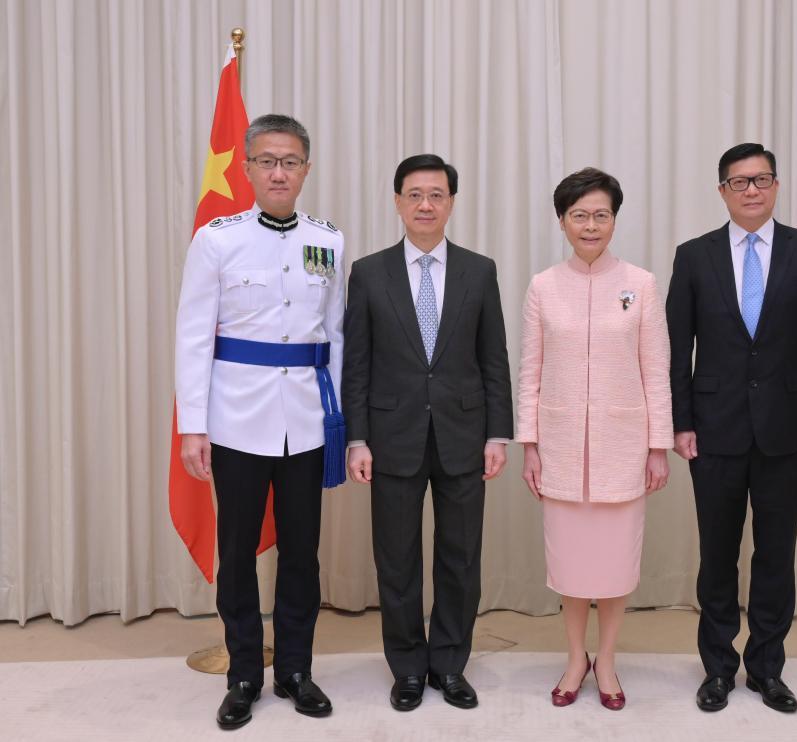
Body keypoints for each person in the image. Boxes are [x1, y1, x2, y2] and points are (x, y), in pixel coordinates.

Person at [175, 114, 343, 729]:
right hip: (237, 420)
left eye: (290, 161)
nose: (278, 172)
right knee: (238, 552)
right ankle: (244, 671)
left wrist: (339, 421)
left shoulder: (329, 241)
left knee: (302, 554)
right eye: (267, 161)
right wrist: (193, 425)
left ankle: (295, 669)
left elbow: (337, 335)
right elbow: (194, 335)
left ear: (306, 170)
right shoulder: (217, 239)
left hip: (305, 422)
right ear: (247, 168)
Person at [666, 143, 797, 713]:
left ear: (776, 186)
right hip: (712, 430)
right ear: (722, 190)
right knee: (717, 556)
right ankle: (717, 669)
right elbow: (677, 349)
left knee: (775, 555)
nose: (751, 190)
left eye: (761, 179)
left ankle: (767, 669)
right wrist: (680, 422)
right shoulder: (694, 256)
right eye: (739, 182)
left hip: (788, 431)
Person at [342, 154, 513, 712]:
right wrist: (357, 438)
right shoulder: (369, 272)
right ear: (397, 202)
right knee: (396, 560)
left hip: (464, 435)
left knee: (461, 558)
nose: (425, 204)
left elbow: (493, 359)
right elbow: (357, 364)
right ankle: (408, 668)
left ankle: (450, 664)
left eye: (436, 194)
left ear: (451, 203)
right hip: (391, 437)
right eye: (414, 194)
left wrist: (497, 435)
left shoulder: (479, 270)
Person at [516, 167, 673, 710]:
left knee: (614, 565)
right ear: (562, 221)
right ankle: (573, 657)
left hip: (623, 448)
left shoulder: (641, 284)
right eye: (579, 215)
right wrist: (529, 444)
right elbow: (530, 371)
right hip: (559, 447)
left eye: (600, 215)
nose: (590, 226)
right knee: (571, 566)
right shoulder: (543, 286)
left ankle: (605, 658)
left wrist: (657, 447)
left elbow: (656, 370)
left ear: (614, 220)